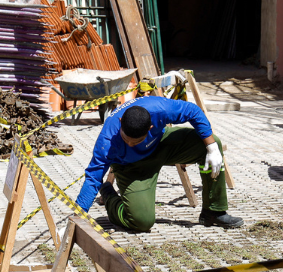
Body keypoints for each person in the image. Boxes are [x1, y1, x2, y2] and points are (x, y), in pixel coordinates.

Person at [74, 93, 243, 231]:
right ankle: (108, 193)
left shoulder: (160, 109)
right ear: (120, 123)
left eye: (136, 141)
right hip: (131, 167)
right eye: (126, 139)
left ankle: (213, 212)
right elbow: (93, 178)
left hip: (160, 145)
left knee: (211, 143)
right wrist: (77, 219)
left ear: (150, 128)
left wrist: (212, 148)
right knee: (141, 221)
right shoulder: (107, 140)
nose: (130, 144)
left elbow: (193, 111)